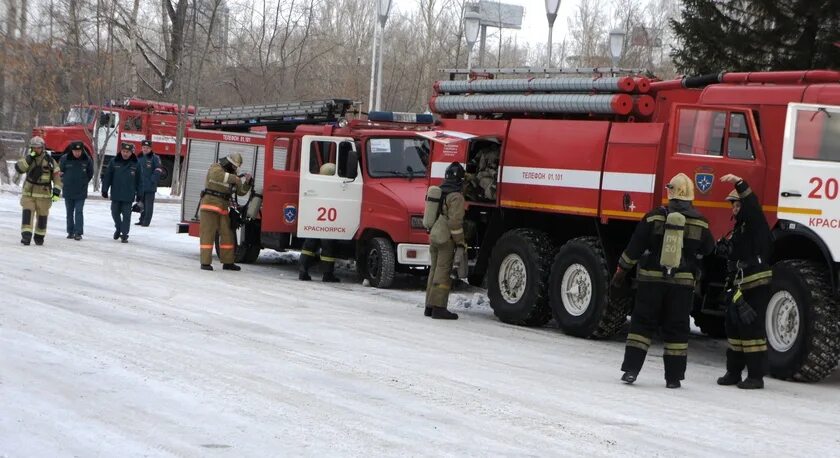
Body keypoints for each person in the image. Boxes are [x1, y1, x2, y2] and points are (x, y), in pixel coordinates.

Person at [612, 173, 714, 388]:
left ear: (671, 194)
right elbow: (708, 249)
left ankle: (631, 371)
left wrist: (621, 271)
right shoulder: (701, 222)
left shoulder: (654, 217)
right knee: (677, 330)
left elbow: (635, 248)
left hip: (651, 282)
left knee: (641, 326)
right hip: (683, 286)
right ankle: (673, 379)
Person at [716, 174, 772, 390]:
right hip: (738, 284)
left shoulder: (755, 221)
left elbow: (752, 204)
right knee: (734, 329)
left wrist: (739, 183)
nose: (734, 209)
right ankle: (733, 372)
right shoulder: (738, 229)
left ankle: (756, 377)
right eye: (733, 206)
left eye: (736, 205)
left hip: (755, 283)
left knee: (751, 330)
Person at [423, 162, 466, 320]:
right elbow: (455, 224)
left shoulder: (440, 191)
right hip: (445, 239)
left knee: (433, 271)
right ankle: (439, 308)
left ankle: (429, 306)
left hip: (434, 235)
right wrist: (461, 242)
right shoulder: (456, 197)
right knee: (443, 273)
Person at [199, 152, 252, 271]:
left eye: (236, 168)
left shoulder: (234, 175)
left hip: (223, 207)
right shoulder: (216, 167)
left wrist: (247, 183)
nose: (235, 169)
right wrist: (236, 179)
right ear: (229, 163)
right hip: (210, 205)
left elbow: (241, 192)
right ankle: (205, 262)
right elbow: (217, 176)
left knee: (228, 234)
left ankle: (228, 262)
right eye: (234, 166)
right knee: (208, 234)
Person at [14, 136, 63, 245]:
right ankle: (26, 236)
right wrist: (29, 159)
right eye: (34, 148)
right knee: (27, 214)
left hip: (44, 195)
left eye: (38, 148)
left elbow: (57, 177)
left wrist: (56, 191)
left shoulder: (50, 161)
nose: (36, 150)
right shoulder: (28, 159)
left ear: (43, 148)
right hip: (28, 194)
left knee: (42, 217)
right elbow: (19, 169)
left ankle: (39, 236)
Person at [299, 163, 341, 283]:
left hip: (314, 220)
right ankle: (327, 274)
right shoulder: (333, 186)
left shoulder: (315, 182)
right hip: (327, 222)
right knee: (328, 248)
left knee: (309, 246)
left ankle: (303, 271)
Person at [102, 143, 141, 243]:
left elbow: (140, 181)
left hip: (128, 195)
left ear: (131, 152)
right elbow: (108, 177)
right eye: (123, 151)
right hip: (116, 193)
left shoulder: (136, 164)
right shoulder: (114, 161)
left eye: (127, 152)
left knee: (127, 215)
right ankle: (118, 228)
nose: (125, 153)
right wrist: (105, 189)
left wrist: (140, 194)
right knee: (114, 213)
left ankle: (124, 234)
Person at [59, 141, 93, 240]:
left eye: (79, 151)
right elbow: (60, 172)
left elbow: (90, 173)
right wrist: (64, 180)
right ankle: (70, 231)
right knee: (69, 212)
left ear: (82, 150)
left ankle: (78, 232)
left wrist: (84, 181)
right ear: (72, 150)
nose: (77, 153)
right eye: (75, 151)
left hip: (81, 191)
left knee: (79, 211)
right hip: (68, 189)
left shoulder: (87, 159)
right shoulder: (65, 159)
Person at [136, 139, 163, 226]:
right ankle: (141, 219)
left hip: (150, 186)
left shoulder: (155, 158)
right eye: (144, 147)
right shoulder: (139, 157)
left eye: (147, 148)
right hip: (141, 186)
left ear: (150, 148)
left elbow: (158, 170)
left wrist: (152, 180)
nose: (145, 149)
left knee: (148, 205)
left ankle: (146, 221)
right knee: (141, 204)